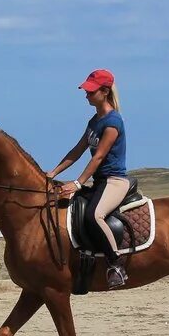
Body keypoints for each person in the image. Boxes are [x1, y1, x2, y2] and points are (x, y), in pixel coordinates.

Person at [46, 69, 131, 288]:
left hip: (114, 181)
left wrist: (77, 182)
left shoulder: (113, 122)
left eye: (91, 91)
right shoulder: (95, 120)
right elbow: (78, 150)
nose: (86, 95)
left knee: (95, 215)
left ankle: (116, 265)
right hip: (99, 182)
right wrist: (53, 173)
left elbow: (99, 156)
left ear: (104, 91)